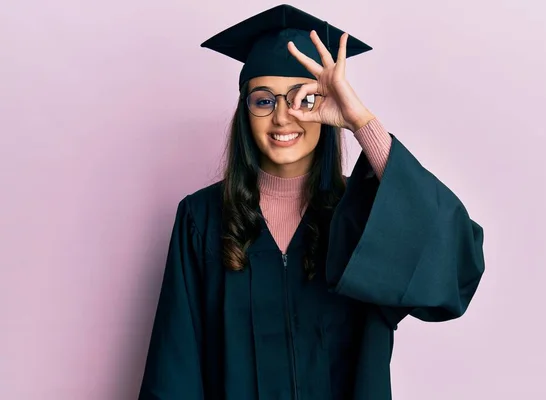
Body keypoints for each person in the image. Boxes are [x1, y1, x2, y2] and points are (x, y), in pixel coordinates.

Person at [138, 4, 485, 400]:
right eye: (264, 100)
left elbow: (455, 266)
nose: (283, 117)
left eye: (305, 100)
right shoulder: (201, 220)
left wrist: (362, 123)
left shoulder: (365, 216)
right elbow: (174, 368)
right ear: (245, 113)